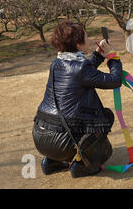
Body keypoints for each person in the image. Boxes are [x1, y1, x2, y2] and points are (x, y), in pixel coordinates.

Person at [32, 20, 123, 178]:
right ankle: (82, 166)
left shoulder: (57, 62)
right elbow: (114, 81)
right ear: (78, 43)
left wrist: (98, 55)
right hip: (63, 142)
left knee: (73, 121)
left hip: (41, 136)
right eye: (86, 36)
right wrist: (113, 59)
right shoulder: (81, 68)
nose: (88, 39)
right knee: (106, 117)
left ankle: (52, 162)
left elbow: (81, 72)